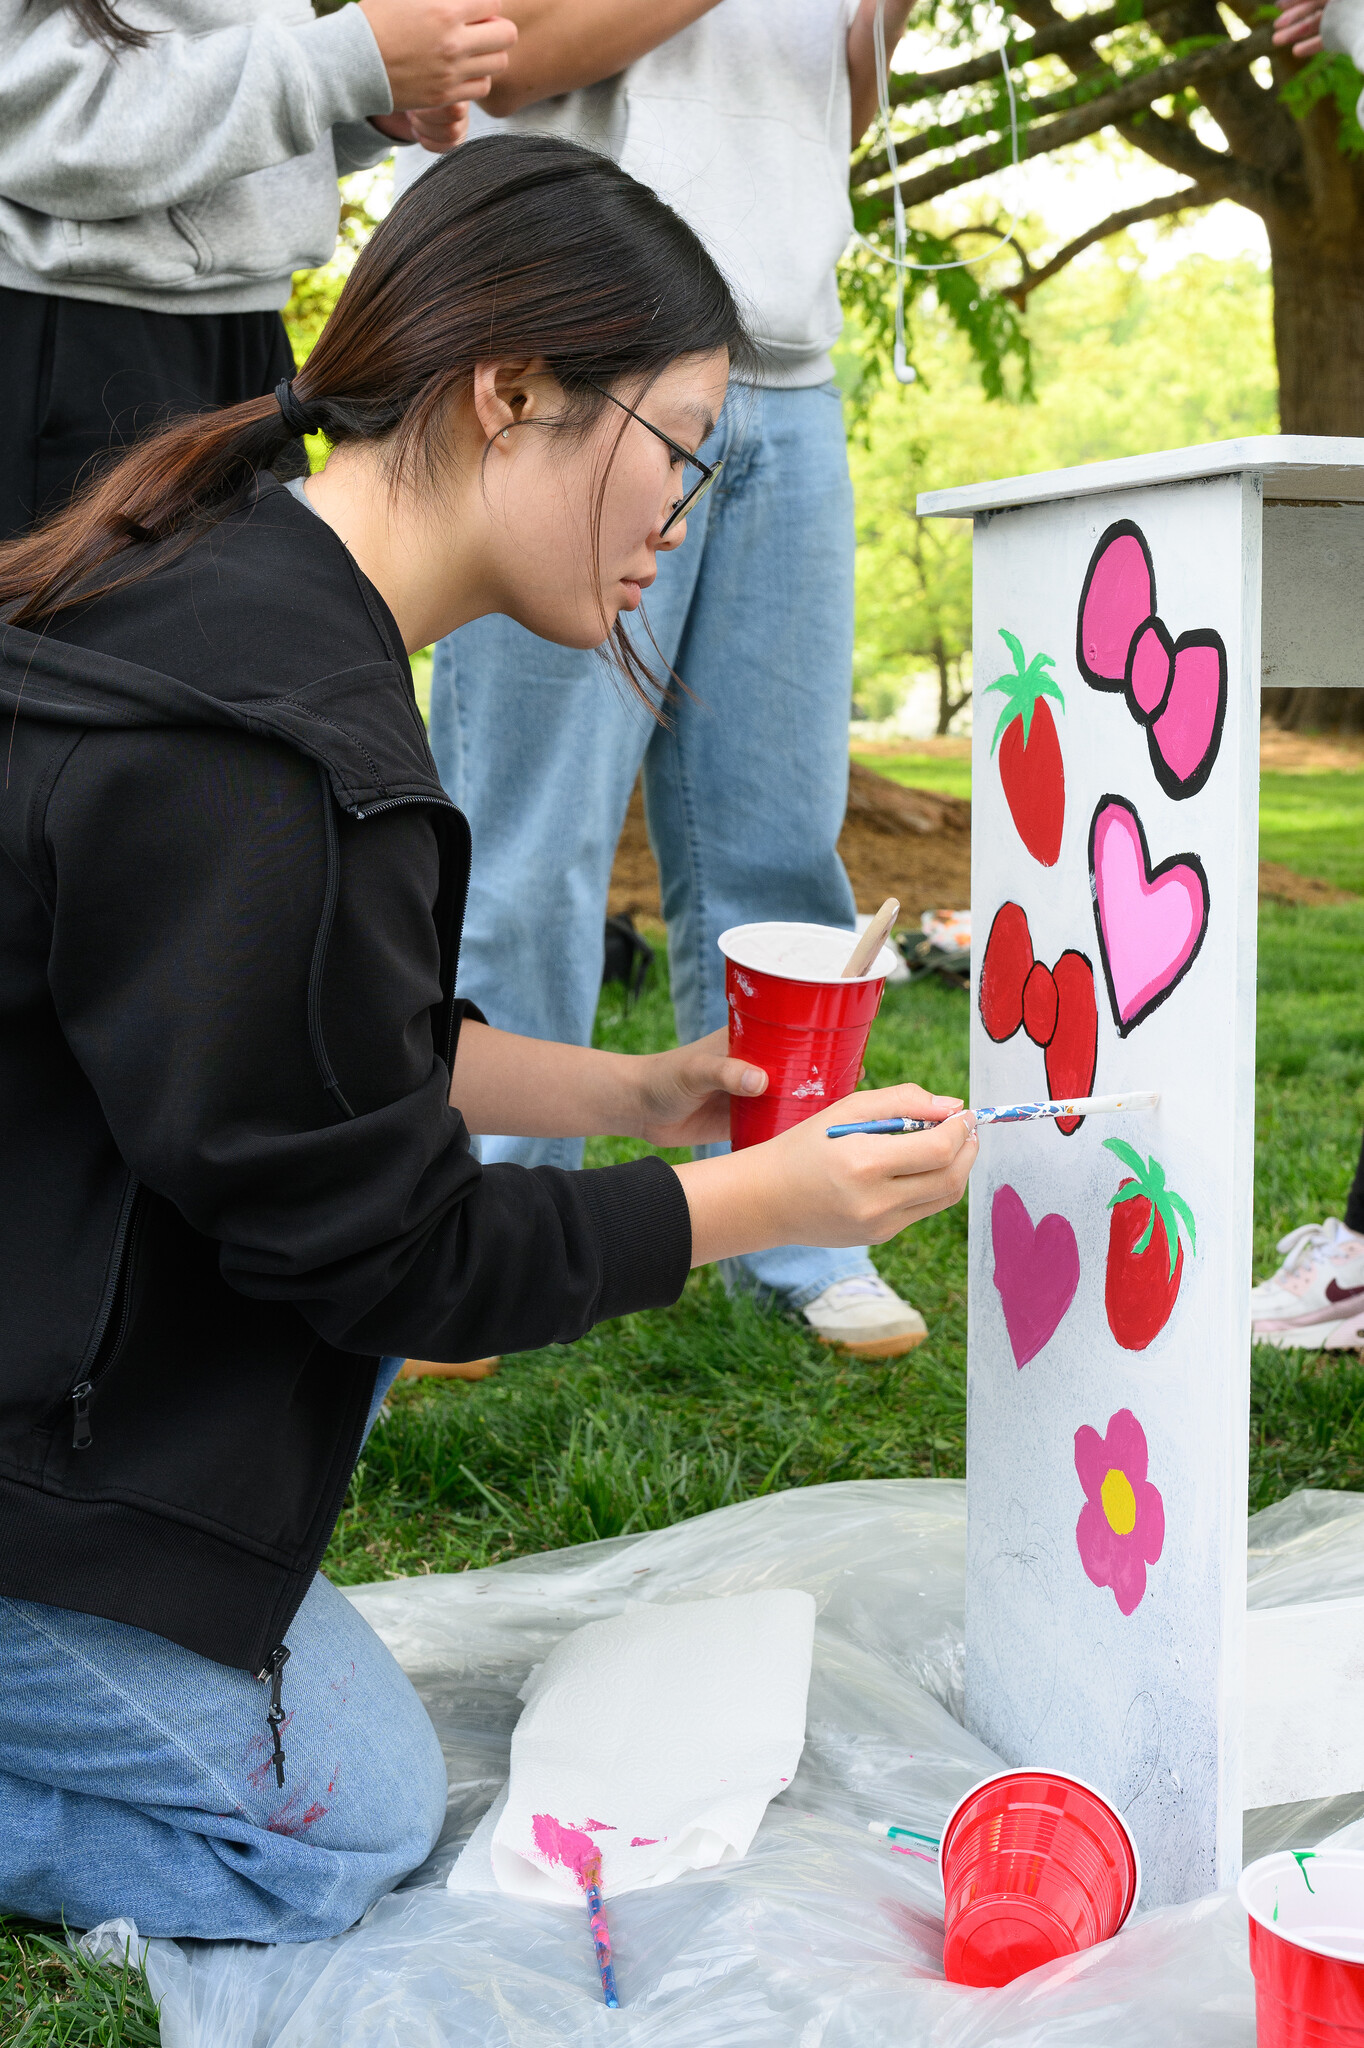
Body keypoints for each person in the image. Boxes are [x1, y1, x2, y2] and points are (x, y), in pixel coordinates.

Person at [0, 135, 977, 1943]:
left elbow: (310, 1041)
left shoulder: (249, 598)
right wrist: (756, 1203)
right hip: (33, 1441)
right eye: (679, 445)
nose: (685, 514)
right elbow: (393, 1254)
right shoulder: (272, 744)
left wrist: (637, 1091)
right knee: (336, 1826)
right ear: (509, 393)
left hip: (60, 1333)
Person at [392, 0, 925, 1361]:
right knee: (528, 846)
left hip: (790, 366)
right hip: (575, 347)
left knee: (778, 841)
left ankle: (799, 1223)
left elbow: (837, 114)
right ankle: (477, 1229)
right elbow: (503, 54)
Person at [0, 0, 516, 539]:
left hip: (252, 345)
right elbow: (34, 114)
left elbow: (236, 141)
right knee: (72, 622)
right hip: (80, 339)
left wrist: (366, 108)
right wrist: (340, 62)